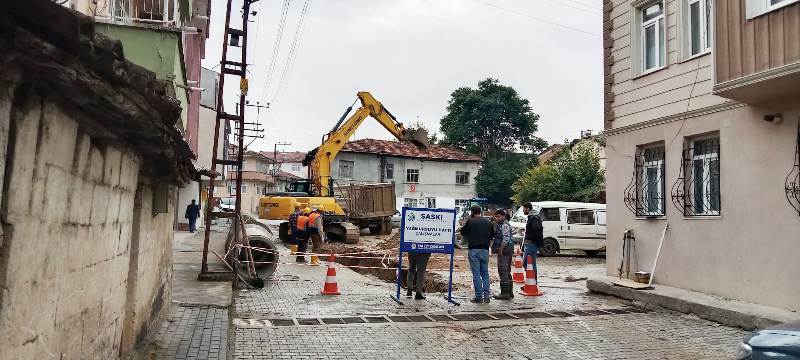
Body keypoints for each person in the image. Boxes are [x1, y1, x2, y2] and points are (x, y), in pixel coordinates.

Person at [459, 205, 495, 303]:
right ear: (481, 212)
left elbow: (462, 231)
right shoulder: (488, 222)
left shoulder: (470, 221)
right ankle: (487, 296)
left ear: (472, 212)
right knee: (485, 274)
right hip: (485, 250)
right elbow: (492, 236)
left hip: (474, 250)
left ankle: (479, 297)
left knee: (476, 274)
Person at [492, 210, 515, 300]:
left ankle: (504, 293)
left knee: (502, 269)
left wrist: (501, 249)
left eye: (498, 216)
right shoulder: (503, 224)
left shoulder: (504, 225)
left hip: (505, 249)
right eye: (496, 216)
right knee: (507, 270)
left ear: (503, 217)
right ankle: (510, 292)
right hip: (508, 249)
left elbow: (506, 238)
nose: (496, 218)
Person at [521, 203, 543, 285]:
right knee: (529, 264)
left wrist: (530, 239)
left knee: (528, 264)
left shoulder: (534, 218)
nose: (523, 210)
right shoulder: (532, 217)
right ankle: (531, 282)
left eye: (523, 208)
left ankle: (532, 282)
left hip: (532, 245)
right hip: (530, 244)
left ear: (527, 208)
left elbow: (536, 230)